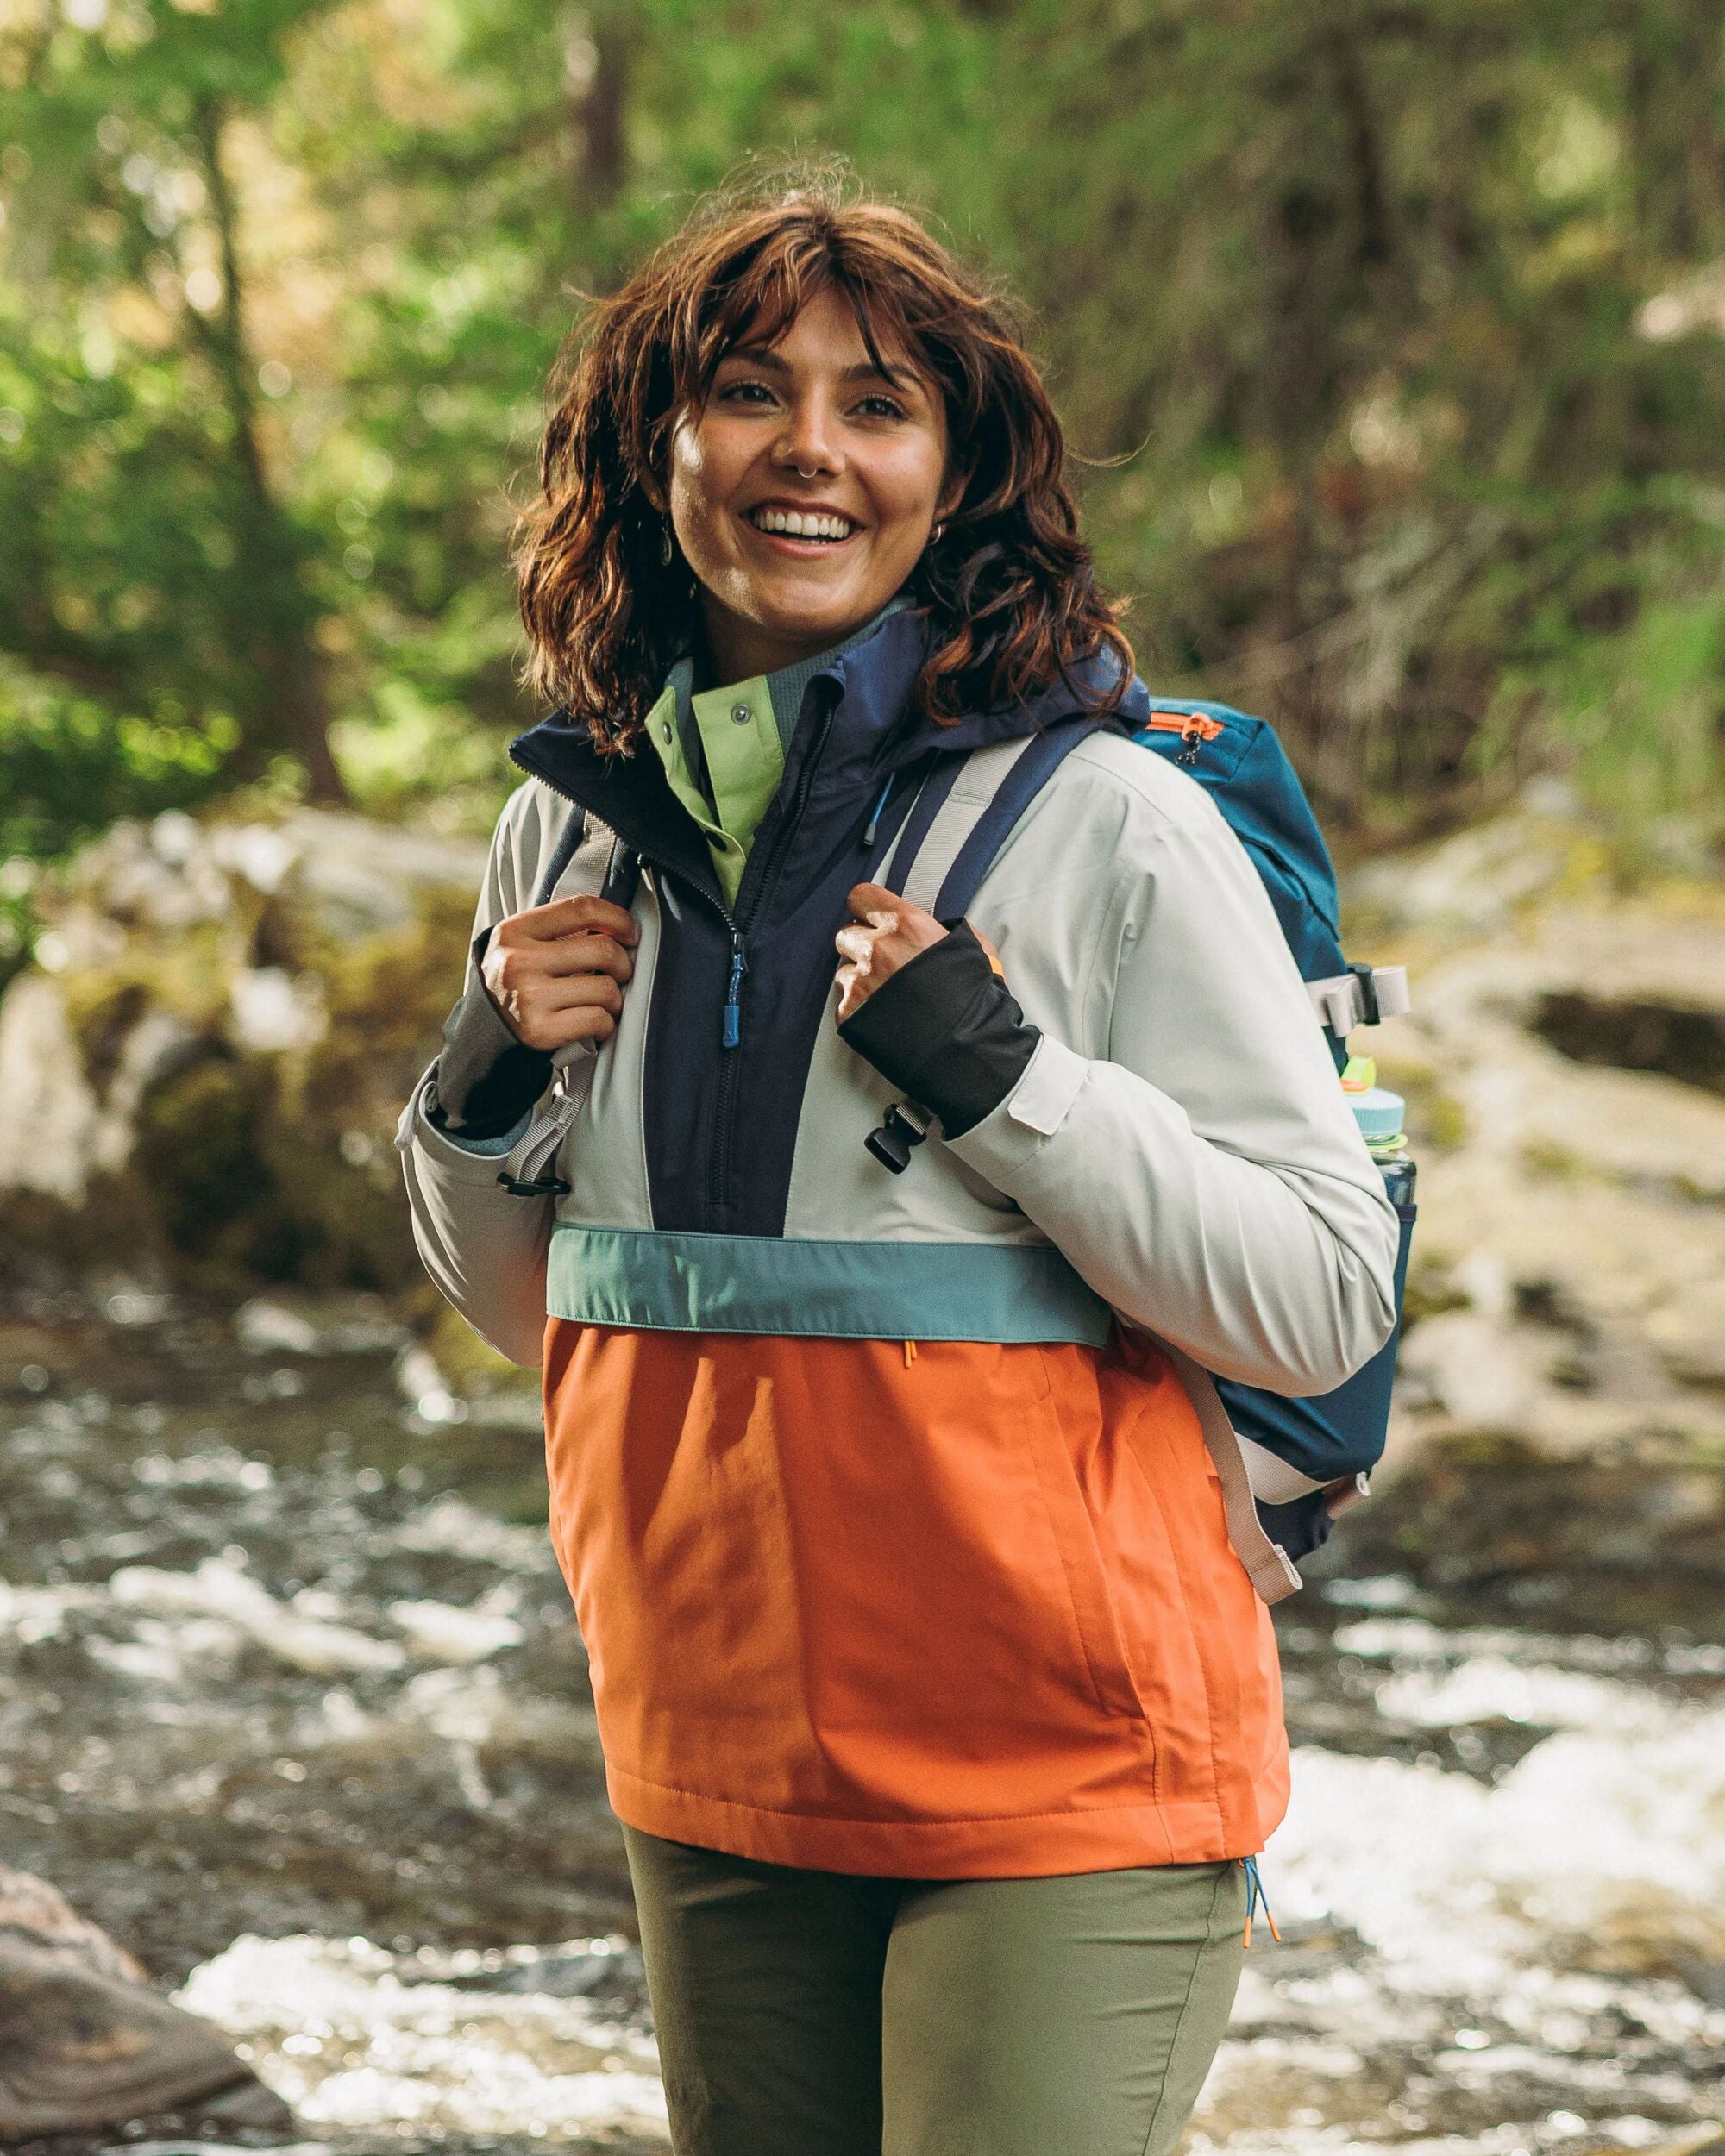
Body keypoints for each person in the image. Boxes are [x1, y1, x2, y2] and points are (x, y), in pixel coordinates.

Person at [398, 169, 1401, 2156]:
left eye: (878, 405)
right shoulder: (574, 828)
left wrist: (1005, 1079)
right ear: (650, 446)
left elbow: (1318, 1288)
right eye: (751, 391)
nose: (811, 452)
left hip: (1066, 1777)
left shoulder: (1107, 822)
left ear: (957, 470)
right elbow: (540, 1311)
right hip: (710, 1753)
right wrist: (483, 1071)